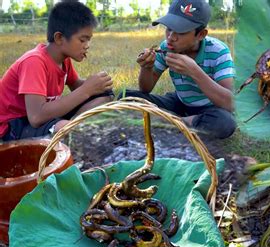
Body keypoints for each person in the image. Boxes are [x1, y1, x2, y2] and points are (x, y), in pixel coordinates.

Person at [0, 1, 113, 142]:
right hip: (13, 127)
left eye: (88, 40)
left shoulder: (63, 60)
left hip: (41, 119)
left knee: (105, 96)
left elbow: (76, 85)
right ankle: (67, 129)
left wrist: (98, 85)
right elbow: (36, 117)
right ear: (59, 38)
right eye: (82, 40)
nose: (87, 46)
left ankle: (71, 126)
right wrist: (87, 90)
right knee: (64, 129)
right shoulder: (34, 62)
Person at [124, 0, 236, 139]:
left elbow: (230, 103)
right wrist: (147, 68)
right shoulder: (166, 48)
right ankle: (180, 122)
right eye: (169, 29)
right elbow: (145, 89)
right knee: (128, 98)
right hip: (180, 102)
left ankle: (172, 122)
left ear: (201, 34)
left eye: (181, 32)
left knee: (224, 123)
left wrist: (194, 71)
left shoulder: (218, 51)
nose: (171, 38)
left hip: (210, 108)